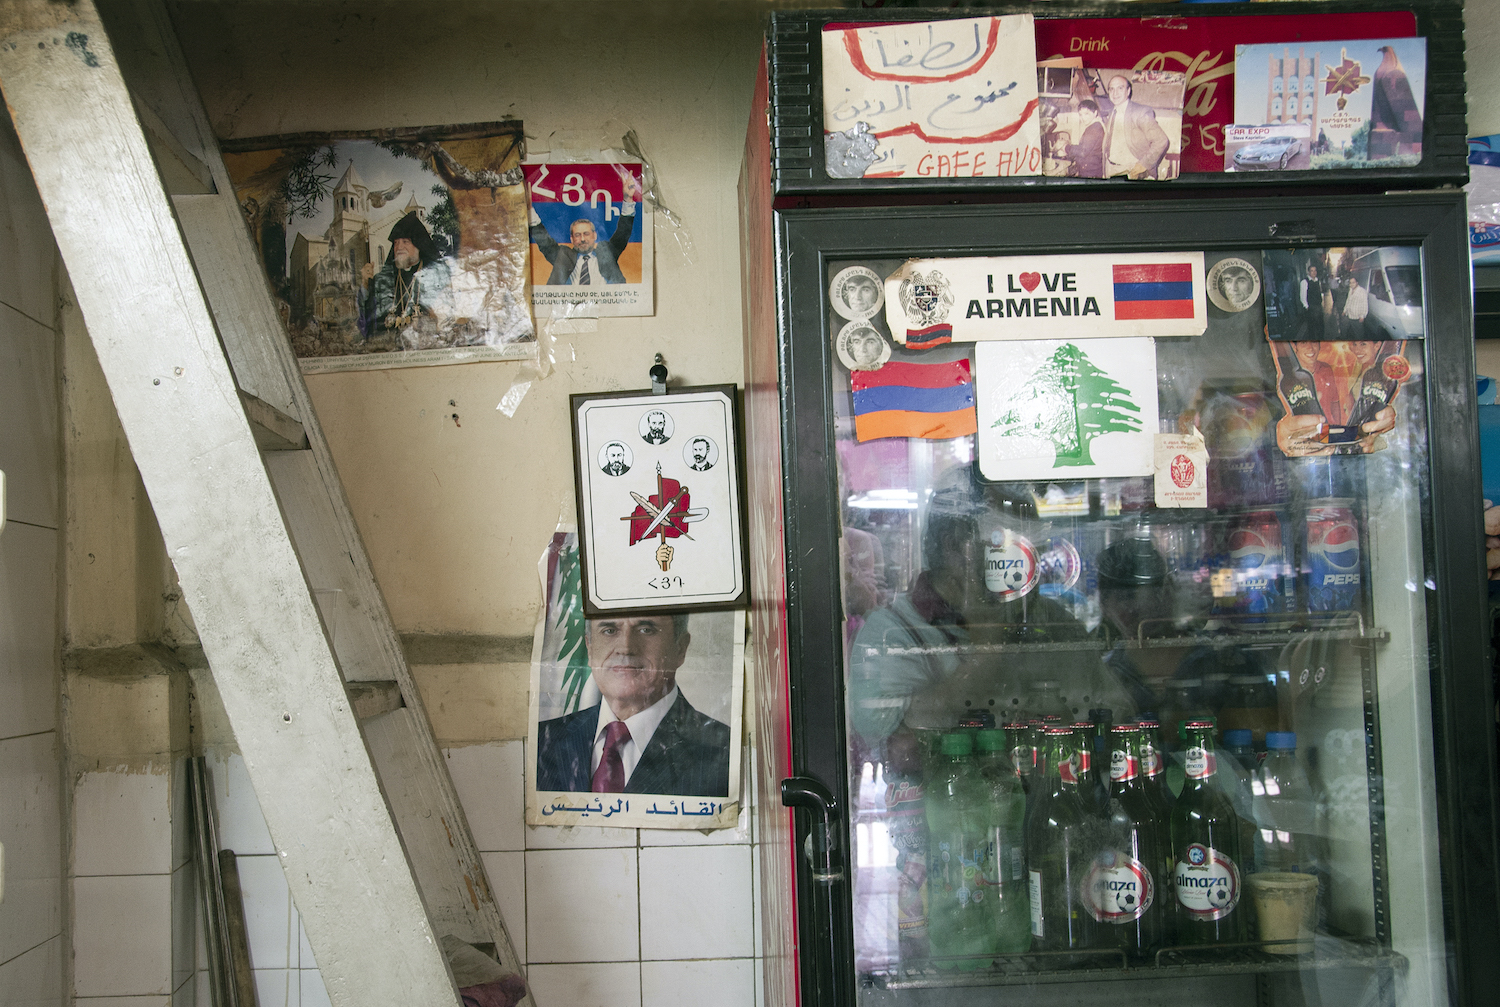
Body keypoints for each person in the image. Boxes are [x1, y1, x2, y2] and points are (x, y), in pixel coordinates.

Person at [535, 615, 731, 796]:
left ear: (680, 648)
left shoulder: (725, 752)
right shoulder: (542, 741)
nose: (626, 647)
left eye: (646, 629)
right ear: (589, 647)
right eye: (609, 630)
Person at [529, 173, 640, 285]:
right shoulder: (562, 256)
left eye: (586, 234)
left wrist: (628, 198)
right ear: (571, 239)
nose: (582, 239)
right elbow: (544, 242)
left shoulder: (606, 252)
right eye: (577, 235)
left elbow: (623, 232)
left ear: (594, 236)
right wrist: (529, 210)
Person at [363, 212, 452, 336]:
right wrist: (366, 286)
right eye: (396, 243)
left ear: (419, 245)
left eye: (405, 242)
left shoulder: (436, 276)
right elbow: (370, 319)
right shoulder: (385, 279)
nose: (399, 247)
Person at [1102, 75, 1170, 180]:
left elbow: (1161, 140)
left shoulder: (1140, 112)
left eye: (1120, 88)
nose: (1115, 93)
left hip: (1134, 171)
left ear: (1128, 91)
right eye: (1112, 89)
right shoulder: (1111, 112)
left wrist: (1143, 164)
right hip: (1112, 170)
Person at [1066, 99, 1105, 178]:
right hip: (1091, 169)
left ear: (1095, 113)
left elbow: (1082, 152)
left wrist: (1066, 147)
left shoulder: (1094, 128)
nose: (1083, 118)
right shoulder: (1093, 126)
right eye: (1081, 114)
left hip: (1091, 172)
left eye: (1086, 114)